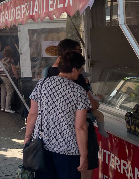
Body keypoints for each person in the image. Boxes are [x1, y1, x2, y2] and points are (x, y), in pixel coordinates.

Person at [24, 51, 90, 179]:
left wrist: (27, 137)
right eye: (80, 69)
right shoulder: (79, 91)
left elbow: (32, 114)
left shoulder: (42, 84)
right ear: (73, 69)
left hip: (43, 147)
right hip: (69, 150)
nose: (80, 72)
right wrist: (84, 155)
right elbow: (80, 127)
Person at [44, 39, 102, 179]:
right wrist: (83, 155)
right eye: (78, 51)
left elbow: (35, 112)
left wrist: (28, 138)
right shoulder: (77, 79)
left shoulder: (47, 75)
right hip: (74, 140)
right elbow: (82, 123)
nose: (80, 54)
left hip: (52, 138)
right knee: (83, 169)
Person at [0, 46, 19, 113]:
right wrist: (16, 76)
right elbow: (13, 68)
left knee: (3, 92)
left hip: (1, 76)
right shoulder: (10, 60)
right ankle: (7, 108)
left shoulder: (2, 59)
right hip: (7, 77)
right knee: (10, 91)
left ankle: (2, 107)